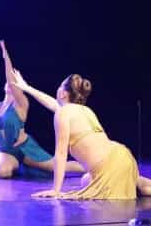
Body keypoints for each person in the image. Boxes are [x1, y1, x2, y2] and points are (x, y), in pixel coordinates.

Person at [12, 71, 151, 199]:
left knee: (94, 181)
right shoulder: (86, 110)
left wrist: (56, 190)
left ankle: (132, 184)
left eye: (60, 86)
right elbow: (53, 104)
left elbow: (61, 153)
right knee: (88, 179)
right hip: (122, 157)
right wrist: (27, 88)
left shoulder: (63, 113)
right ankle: (139, 183)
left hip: (106, 166)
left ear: (63, 94)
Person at [0, 41, 84, 178]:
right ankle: (16, 166)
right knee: (1, 172)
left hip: (25, 149)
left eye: (12, 83)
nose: (9, 83)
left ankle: (89, 166)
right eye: (7, 81)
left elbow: (12, 81)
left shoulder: (21, 103)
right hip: (6, 151)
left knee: (56, 166)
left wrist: (6, 58)